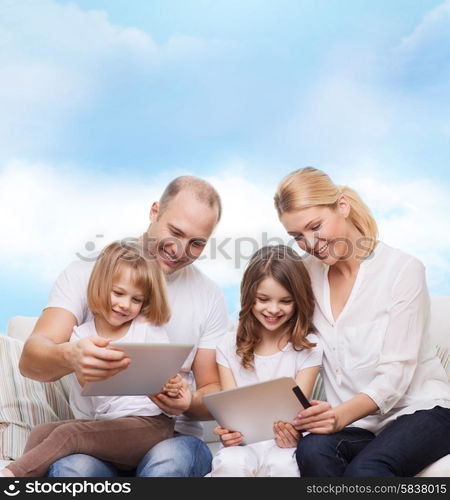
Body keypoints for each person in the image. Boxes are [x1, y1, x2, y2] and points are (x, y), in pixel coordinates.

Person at [19, 176, 230, 477]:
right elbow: (31, 361)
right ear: (154, 211)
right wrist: (70, 357)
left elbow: (212, 391)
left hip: (171, 436)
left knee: (169, 463)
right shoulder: (86, 273)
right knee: (72, 468)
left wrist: (186, 401)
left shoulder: (208, 296)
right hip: (99, 437)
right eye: (175, 232)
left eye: (196, 243)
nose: (180, 250)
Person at [273, 166, 450, 477]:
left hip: (421, 411)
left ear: (342, 206)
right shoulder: (306, 275)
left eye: (315, 226)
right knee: (312, 450)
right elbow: (285, 345)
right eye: (297, 236)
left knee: (367, 469)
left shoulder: (402, 270)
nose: (311, 243)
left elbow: (395, 376)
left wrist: (339, 416)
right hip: (359, 424)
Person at [1, 240, 187, 477]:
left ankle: (11, 476)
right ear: (100, 285)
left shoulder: (147, 329)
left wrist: (172, 387)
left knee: (69, 435)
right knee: (42, 431)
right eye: (118, 293)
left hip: (150, 425)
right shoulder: (81, 336)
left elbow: (166, 377)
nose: (124, 305)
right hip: (108, 425)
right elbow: (89, 397)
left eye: (136, 299)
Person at [210, 245, 323, 477]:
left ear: (298, 300)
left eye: (285, 301)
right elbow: (231, 414)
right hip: (242, 444)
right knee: (232, 462)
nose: (273, 309)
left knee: (283, 465)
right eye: (263, 299)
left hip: (284, 444)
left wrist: (292, 433)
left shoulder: (309, 346)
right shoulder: (227, 345)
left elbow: (297, 414)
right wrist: (229, 433)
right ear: (249, 296)